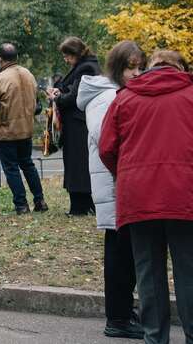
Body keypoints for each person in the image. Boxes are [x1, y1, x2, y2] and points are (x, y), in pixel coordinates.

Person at [99, 50, 193, 344]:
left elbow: (106, 148)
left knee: (148, 273)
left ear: (150, 67)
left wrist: (127, 173)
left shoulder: (125, 98)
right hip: (185, 194)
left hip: (138, 196)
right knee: (188, 270)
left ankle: (155, 337)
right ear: (179, 68)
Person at [77, 41, 145, 340]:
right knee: (120, 255)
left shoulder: (117, 94)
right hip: (115, 185)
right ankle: (117, 317)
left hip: (120, 184)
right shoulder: (107, 98)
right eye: (131, 67)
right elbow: (110, 142)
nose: (137, 72)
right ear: (117, 67)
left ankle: (123, 311)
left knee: (126, 254)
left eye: (140, 66)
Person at [0, 43, 47, 214]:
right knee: (28, 165)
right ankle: (40, 200)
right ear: (16, 57)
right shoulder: (29, 74)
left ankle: (21, 204)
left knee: (11, 168)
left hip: (6, 130)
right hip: (26, 128)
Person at [47, 36, 101, 216]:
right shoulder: (83, 66)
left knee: (77, 164)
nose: (65, 59)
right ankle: (83, 204)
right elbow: (69, 88)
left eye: (67, 55)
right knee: (77, 163)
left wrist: (57, 97)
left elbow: (74, 97)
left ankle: (80, 206)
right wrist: (59, 90)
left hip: (78, 123)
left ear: (75, 53)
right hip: (76, 123)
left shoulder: (86, 68)